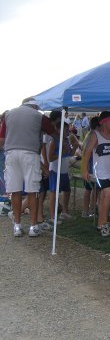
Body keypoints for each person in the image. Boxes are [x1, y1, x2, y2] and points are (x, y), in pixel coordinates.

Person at [0, 97, 56, 237]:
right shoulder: (39, 116)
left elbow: (1, 139)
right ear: (35, 106)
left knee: (15, 190)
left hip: (11, 153)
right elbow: (53, 132)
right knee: (33, 190)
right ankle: (33, 226)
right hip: (30, 154)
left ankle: (17, 226)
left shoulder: (9, 114)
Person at [82, 111, 110, 237]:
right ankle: (104, 224)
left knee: (104, 197)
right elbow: (87, 152)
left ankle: (101, 223)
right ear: (103, 122)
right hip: (99, 173)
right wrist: (84, 170)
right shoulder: (96, 135)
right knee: (108, 193)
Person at [49, 121, 79, 222]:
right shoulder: (54, 141)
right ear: (58, 130)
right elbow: (50, 157)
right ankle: (53, 216)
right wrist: (61, 153)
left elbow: (69, 153)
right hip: (55, 170)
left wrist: (74, 147)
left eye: (67, 130)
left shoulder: (66, 140)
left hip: (64, 170)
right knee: (54, 193)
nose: (67, 132)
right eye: (65, 130)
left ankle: (64, 212)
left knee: (67, 190)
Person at [80, 116, 100, 218]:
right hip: (90, 166)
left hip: (89, 166)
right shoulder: (93, 135)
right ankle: (90, 210)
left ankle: (88, 210)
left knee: (91, 189)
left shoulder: (89, 134)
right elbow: (87, 152)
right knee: (92, 189)